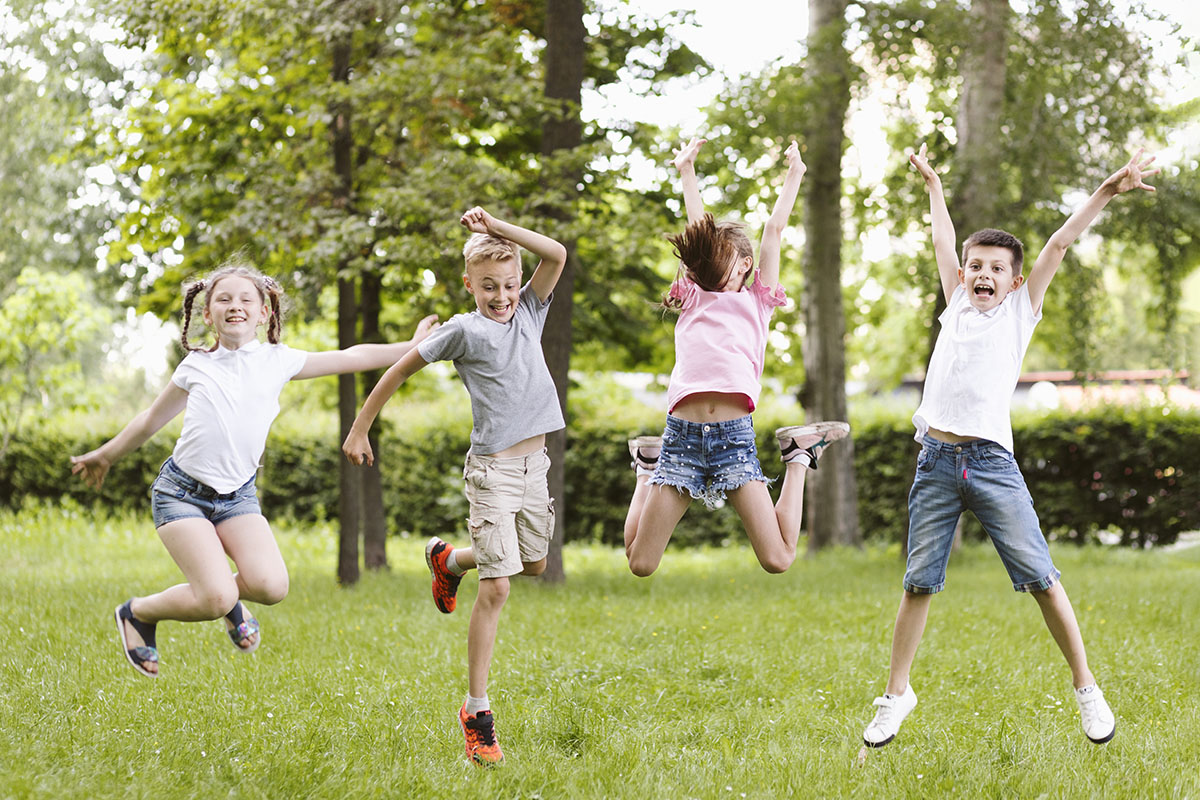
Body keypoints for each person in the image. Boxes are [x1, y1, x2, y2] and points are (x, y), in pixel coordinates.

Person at [860, 144, 1158, 748]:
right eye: (976, 266)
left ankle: (1086, 689)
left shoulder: (1020, 311)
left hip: (992, 464)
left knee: (1042, 577)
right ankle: (897, 693)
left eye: (996, 268)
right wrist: (935, 188)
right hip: (937, 463)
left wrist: (1107, 190)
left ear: (1016, 280)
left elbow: (1059, 244)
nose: (983, 275)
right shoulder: (955, 308)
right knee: (918, 581)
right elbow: (943, 240)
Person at [71, 259, 437, 679]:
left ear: (265, 312)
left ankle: (229, 599)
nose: (235, 305)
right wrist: (106, 455)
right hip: (181, 494)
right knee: (212, 599)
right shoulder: (196, 366)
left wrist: (410, 346)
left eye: (247, 298)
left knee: (271, 586)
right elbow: (150, 420)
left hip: (237, 497)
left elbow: (351, 356)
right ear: (207, 315)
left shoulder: (277, 360)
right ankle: (137, 613)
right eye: (223, 299)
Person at [342, 207, 567, 767]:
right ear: (469, 285)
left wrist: (498, 228)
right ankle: (477, 711)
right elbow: (396, 372)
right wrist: (361, 426)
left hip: (535, 468)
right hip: (491, 470)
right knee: (500, 587)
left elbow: (557, 253)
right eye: (489, 287)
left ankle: (449, 562)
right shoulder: (461, 332)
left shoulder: (530, 313)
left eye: (510, 284)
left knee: (533, 566)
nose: (502, 295)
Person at [623, 137, 849, 577]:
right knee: (641, 562)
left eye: (722, 257)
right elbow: (697, 224)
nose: (708, 264)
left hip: (733, 441)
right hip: (681, 439)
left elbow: (774, 230)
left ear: (746, 263)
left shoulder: (758, 301)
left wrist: (795, 175)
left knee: (778, 559)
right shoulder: (692, 296)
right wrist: (686, 171)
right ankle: (646, 470)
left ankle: (798, 455)